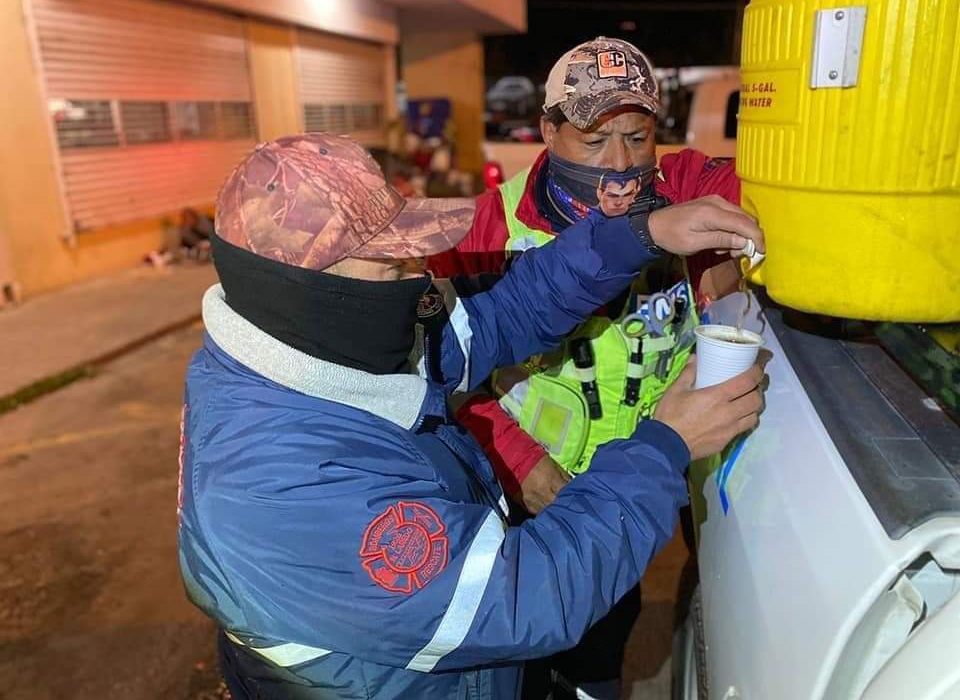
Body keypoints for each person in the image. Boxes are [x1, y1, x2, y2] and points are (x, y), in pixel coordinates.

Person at [177, 132, 765, 700]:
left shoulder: (324, 345)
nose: (423, 279)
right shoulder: (280, 484)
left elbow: (502, 312)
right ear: (303, 290)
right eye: (393, 266)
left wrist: (640, 234)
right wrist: (665, 444)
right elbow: (522, 598)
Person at [428, 37, 750, 699]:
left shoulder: (681, 189)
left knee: (603, 639)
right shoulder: (490, 228)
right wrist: (521, 465)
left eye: (637, 137)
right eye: (594, 141)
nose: (621, 166)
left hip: (650, 473)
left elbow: (756, 195)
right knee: (522, 644)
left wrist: (728, 262)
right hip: (532, 488)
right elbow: (449, 367)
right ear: (547, 131)